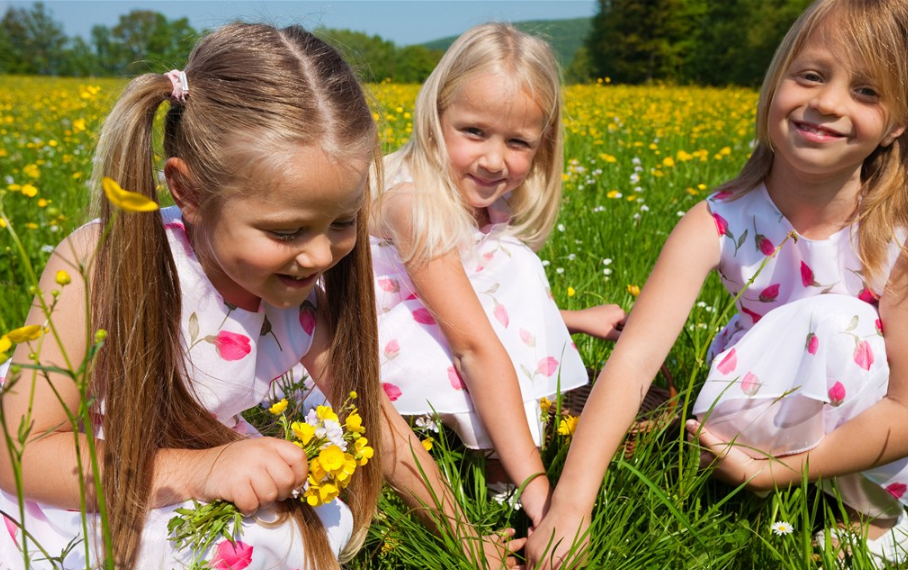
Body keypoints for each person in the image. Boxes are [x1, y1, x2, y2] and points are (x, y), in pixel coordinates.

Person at [0, 23, 521, 570]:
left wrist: (461, 532)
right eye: (286, 232)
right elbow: (19, 453)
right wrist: (199, 471)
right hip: (75, 488)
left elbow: (371, 416)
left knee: (317, 528)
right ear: (189, 191)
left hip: (198, 469)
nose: (320, 256)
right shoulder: (105, 260)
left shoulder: (293, 300)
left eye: (342, 222)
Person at [526, 0, 908, 567]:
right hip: (752, 413)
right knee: (837, 326)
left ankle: (864, 512)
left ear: (897, 126)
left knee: (842, 327)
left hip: (861, 429)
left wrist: (772, 475)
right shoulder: (718, 221)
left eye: (867, 92)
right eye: (811, 75)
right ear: (775, 83)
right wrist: (572, 507)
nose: (828, 103)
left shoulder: (897, 231)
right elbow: (632, 363)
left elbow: (905, 406)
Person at [369, 22, 627, 529]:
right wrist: (542, 492)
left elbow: (465, 301)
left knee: (513, 262)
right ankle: (508, 483)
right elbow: (472, 346)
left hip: (439, 341)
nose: (493, 159)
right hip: (363, 362)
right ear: (434, 116)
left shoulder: (483, 208)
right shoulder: (412, 203)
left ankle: (496, 470)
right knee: (515, 268)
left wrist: (567, 319)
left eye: (518, 142)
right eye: (473, 132)